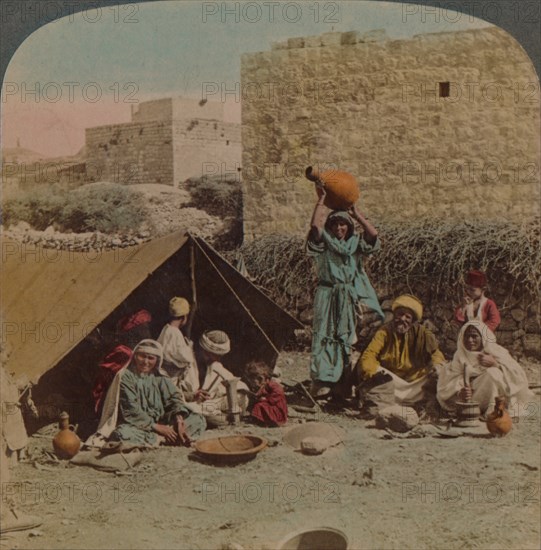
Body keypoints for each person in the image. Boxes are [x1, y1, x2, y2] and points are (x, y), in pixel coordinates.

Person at [307, 184, 383, 399]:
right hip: (327, 294)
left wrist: (356, 214)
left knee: (345, 336)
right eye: (336, 224)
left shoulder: (356, 245)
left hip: (347, 296)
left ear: (349, 227)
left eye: (343, 224)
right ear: (330, 227)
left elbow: (373, 234)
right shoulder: (324, 244)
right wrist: (321, 201)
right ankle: (322, 381)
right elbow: (315, 228)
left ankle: (342, 382)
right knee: (323, 335)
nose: (340, 228)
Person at [89, 339, 206, 447]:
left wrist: (179, 421)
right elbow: (131, 410)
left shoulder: (159, 377)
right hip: (137, 425)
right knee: (121, 433)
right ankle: (162, 439)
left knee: (198, 419)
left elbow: (174, 398)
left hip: (162, 422)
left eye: (151, 358)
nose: (145, 362)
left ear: (157, 360)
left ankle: (170, 435)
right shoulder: (126, 377)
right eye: (142, 356)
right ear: (135, 357)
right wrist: (157, 428)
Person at [357, 294, 446, 414]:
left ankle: (419, 405)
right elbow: (370, 354)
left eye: (407, 317)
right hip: (390, 382)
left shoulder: (423, 334)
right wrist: (372, 372)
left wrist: (438, 365)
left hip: (414, 384)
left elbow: (436, 353)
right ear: (394, 315)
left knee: (438, 373)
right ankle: (392, 402)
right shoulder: (384, 332)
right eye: (400, 314)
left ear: (413, 321)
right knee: (368, 368)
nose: (402, 319)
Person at [437, 321, 534, 416]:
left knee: (492, 373)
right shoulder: (460, 355)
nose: (470, 340)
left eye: (474, 336)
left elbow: (518, 375)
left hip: (496, 397)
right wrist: (459, 392)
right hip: (472, 397)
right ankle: (473, 410)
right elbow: (446, 382)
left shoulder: (496, 351)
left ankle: (492, 411)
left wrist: (496, 364)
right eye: (466, 336)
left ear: (483, 337)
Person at [182, 330, 249, 427]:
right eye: (214, 355)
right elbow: (172, 392)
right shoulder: (185, 361)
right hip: (190, 405)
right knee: (194, 409)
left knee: (242, 397)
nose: (217, 359)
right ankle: (219, 418)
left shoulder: (214, 364)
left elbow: (235, 382)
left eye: (220, 356)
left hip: (207, 406)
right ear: (203, 350)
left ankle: (218, 417)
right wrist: (192, 395)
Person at [157, 296, 197, 390]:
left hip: (165, 373)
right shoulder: (175, 333)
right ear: (184, 317)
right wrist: (189, 348)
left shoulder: (165, 329)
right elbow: (184, 357)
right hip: (172, 376)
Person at [244, 361, 288, 427]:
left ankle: (271, 421)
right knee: (255, 404)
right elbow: (261, 393)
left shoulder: (272, 384)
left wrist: (267, 399)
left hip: (276, 407)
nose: (252, 383)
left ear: (261, 379)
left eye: (253, 381)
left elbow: (279, 394)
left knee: (259, 406)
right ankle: (260, 419)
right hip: (269, 404)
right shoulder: (263, 385)